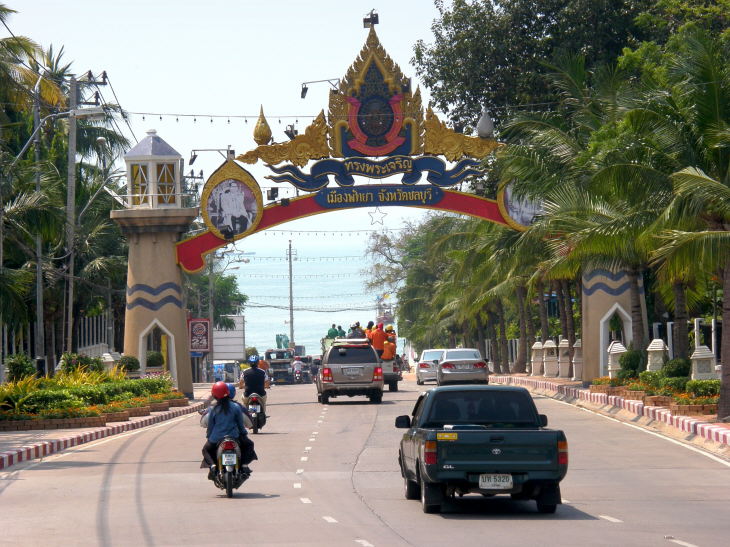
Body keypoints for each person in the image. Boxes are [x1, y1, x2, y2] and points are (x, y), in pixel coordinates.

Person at [202, 381, 257, 480]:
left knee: (206, 449)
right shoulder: (236, 407)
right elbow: (241, 425)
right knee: (249, 445)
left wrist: (209, 437)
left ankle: (213, 466)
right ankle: (244, 465)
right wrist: (243, 434)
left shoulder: (213, 409)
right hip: (234, 436)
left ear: (214, 395)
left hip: (216, 439)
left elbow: (210, 426)